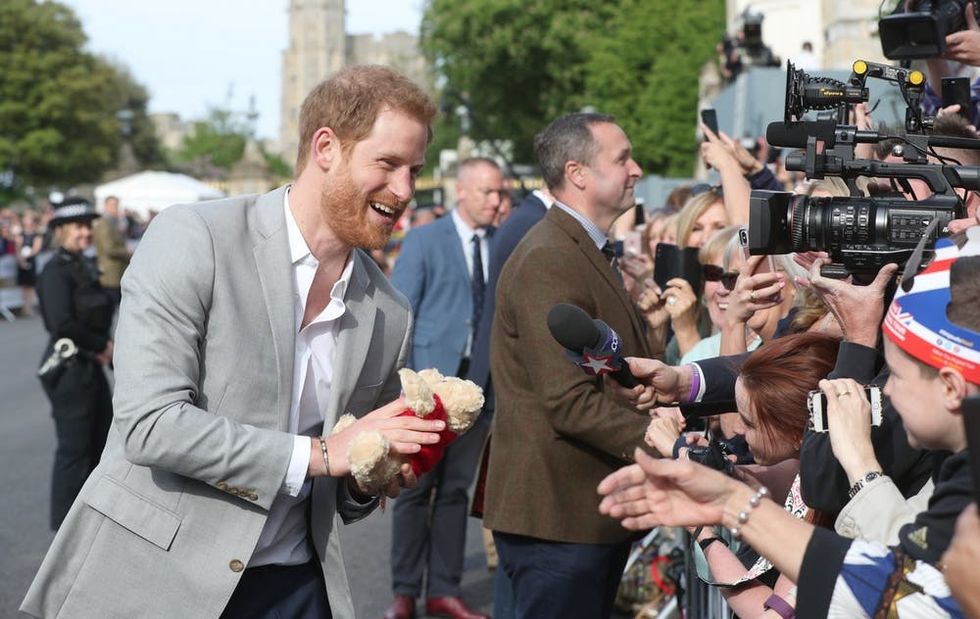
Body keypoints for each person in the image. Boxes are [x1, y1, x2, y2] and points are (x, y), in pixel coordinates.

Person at [22, 65, 446, 619]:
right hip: (157, 578)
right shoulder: (195, 236)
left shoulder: (389, 311)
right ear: (325, 148)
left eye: (414, 170)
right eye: (387, 164)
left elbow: (345, 492)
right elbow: (149, 424)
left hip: (297, 588)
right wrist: (322, 454)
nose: (405, 190)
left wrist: (374, 471)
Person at [600, 235, 980, 617]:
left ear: (950, 387)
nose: (886, 391)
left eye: (894, 374)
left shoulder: (962, 493)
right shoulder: (959, 470)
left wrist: (860, 464)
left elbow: (903, 582)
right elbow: (885, 575)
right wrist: (728, 499)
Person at [484, 113, 654, 619]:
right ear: (577, 173)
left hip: (580, 514)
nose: (636, 170)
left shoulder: (577, 248)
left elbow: (601, 369)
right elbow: (568, 400)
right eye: (622, 159)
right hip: (558, 518)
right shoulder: (549, 257)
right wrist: (665, 442)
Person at [386, 157, 506, 619]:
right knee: (414, 491)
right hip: (428, 391)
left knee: (456, 491)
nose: (496, 201)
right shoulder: (424, 240)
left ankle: (443, 590)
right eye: (487, 192)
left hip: (478, 391)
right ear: (462, 190)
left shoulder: (501, 243)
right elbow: (401, 314)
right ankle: (403, 592)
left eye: (499, 192)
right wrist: (406, 388)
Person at [34, 198, 114, 530]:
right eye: (79, 227)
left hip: (91, 368)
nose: (86, 232)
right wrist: (102, 346)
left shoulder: (83, 265)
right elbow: (61, 324)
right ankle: (66, 531)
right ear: (61, 230)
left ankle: (92, 524)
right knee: (74, 453)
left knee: (101, 448)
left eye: (88, 226)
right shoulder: (55, 272)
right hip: (70, 371)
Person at [92, 195, 132, 311]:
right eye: (113, 205)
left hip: (115, 272)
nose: (116, 208)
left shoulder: (111, 222)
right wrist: (127, 252)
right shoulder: (105, 224)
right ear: (106, 206)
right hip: (111, 274)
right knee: (112, 309)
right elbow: (109, 249)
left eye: (117, 205)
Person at [15, 209, 43, 316]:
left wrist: (27, 256)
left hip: (31, 261)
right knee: (24, 286)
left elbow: (36, 248)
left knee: (31, 286)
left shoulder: (36, 235)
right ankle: (24, 307)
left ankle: (29, 308)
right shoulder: (20, 234)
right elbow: (17, 248)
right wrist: (21, 260)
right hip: (21, 261)